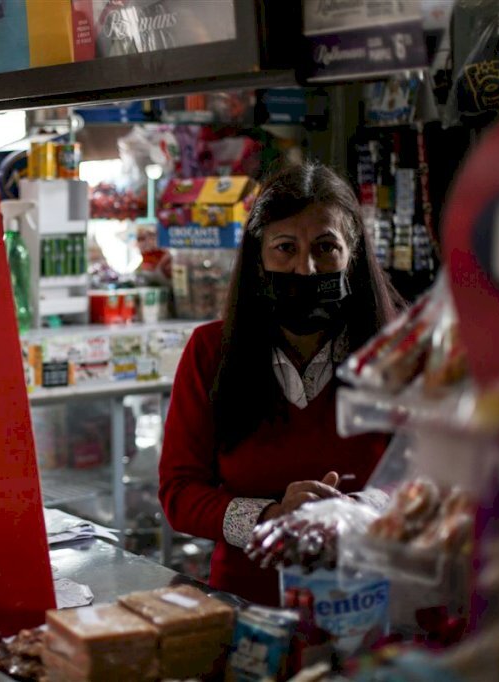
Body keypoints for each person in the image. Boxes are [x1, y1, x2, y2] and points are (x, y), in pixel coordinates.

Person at [159, 161, 399, 606]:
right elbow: (179, 493)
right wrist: (271, 517)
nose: (305, 270)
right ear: (258, 257)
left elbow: (437, 481)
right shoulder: (210, 351)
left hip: (370, 603)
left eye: (326, 247)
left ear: (354, 256)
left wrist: (360, 511)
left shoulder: (398, 354)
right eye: (285, 248)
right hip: (246, 609)